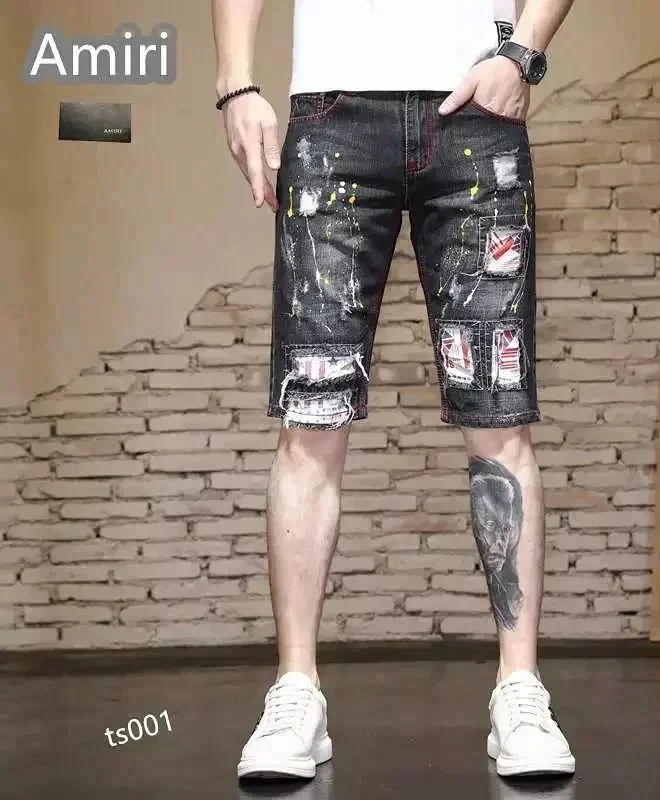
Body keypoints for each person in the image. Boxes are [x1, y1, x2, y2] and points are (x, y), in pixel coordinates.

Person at [211, 0, 577, 781]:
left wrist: (523, 53)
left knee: (499, 416)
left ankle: (520, 690)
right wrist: (236, 82)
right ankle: (295, 692)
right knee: (312, 416)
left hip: (477, 112)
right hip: (332, 114)